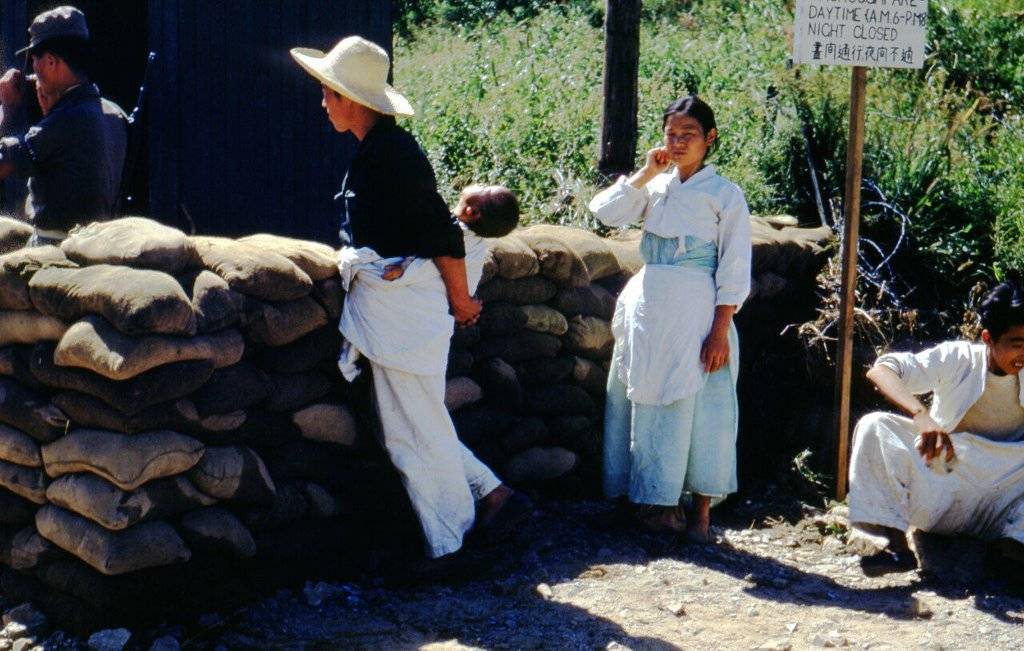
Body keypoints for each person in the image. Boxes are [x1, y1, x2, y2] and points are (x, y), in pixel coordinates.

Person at [291, 36, 530, 564]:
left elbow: (441, 237)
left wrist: (462, 301)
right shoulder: (377, 153)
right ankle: (493, 495)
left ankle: (451, 541)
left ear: (353, 99)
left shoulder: (394, 155)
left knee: (410, 436)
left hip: (406, 317)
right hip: (400, 318)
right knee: (416, 423)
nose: (323, 103)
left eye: (329, 93)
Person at [588, 95, 752, 543]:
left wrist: (720, 330)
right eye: (671, 135)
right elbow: (604, 212)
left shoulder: (724, 195)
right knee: (637, 400)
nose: (678, 143)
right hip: (649, 307)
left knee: (703, 405)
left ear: (710, 138)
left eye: (689, 135)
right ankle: (643, 501)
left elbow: (735, 267)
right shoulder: (656, 187)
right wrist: (645, 174)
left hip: (696, 310)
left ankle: (699, 513)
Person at [847, 280, 1024, 568]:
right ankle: (893, 546)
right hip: (945, 482)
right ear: (988, 338)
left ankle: (1012, 552)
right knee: (875, 425)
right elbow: (882, 371)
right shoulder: (958, 358)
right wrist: (922, 416)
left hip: (1004, 496)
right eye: (1017, 345)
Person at [0, 6, 128, 245]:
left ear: (50, 62)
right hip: (97, 242)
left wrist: (7, 110)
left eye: (34, 61)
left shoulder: (66, 121)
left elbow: (4, 163)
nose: (32, 72)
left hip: (56, 247)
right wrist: (50, 113)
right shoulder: (113, 112)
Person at [382, 184, 520, 281]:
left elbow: (428, 261)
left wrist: (403, 269)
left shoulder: (454, 236)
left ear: (472, 212)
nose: (478, 184)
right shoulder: (474, 241)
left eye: (483, 187)